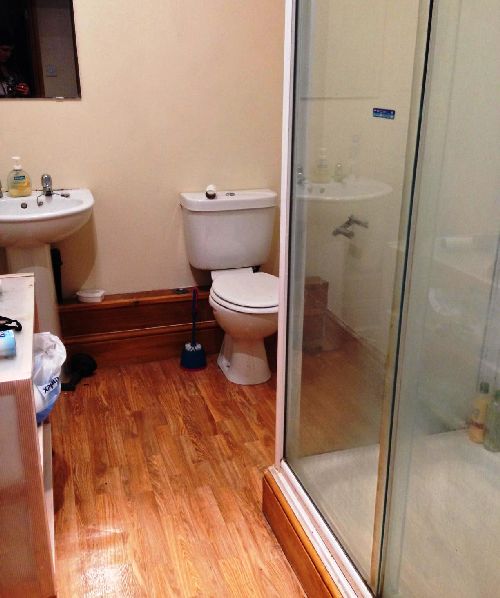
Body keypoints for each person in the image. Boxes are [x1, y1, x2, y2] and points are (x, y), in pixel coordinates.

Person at [0, 29, 29, 98]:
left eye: (10, 51)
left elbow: (20, 89)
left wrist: (25, 91)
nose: (8, 54)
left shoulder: (12, 69)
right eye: (5, 50)